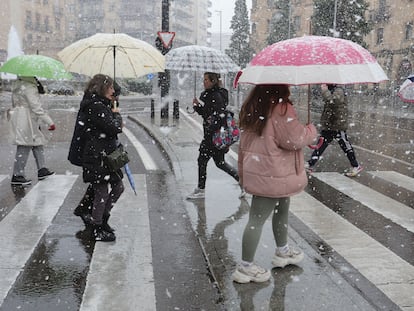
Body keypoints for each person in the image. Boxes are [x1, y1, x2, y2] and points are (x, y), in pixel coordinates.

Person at [232, 84, 317, 284]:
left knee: (282, 208)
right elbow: (294, 139)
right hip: (272, 171)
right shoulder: (281, 108)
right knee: (257, 219)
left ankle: (283, 250)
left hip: (261, 168)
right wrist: (310, 130)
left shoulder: (254, 105)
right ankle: (245, 267)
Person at [73, 74, 124, 242]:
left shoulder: (101, 104)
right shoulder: (96, 107)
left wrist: (112, 106)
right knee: (101, 192)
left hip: (105, 155)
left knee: (117, 188)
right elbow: (113, 128)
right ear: (101, 88)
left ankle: (102, 219)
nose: (112, 91)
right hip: (98, 156)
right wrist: (116, 114)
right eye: (110, 87)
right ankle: (96, 227)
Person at [186, 72, 240, 200]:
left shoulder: (216, 95)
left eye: (206, 80)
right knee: (220, 163)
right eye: (203, 79)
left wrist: (211, 127)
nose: (204, 82)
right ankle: (242, 181)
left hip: (213, 137)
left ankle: (201, 189)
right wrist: (198, 106)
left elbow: (218, 115)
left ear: (213, 81)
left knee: (202, 161)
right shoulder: (213, 94)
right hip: (215, 136)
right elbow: (208, 114)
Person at [305, 84, 363, 177]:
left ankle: (356, 165)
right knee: (321, 145)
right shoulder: (332, 90)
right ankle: (310, 164)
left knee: (345, 145)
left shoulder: (339, 90)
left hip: (337, 125)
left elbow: (332, 101)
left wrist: (324, 90)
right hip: (330, 125)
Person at [9, 76, 56, 185]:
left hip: (21, 116)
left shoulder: (18, 84)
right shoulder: (29, 86)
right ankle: (17, 175)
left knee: (37, 142)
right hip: (27, 118)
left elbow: (14, 102)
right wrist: (49, 122)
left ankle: (42, 169)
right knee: (24, 145)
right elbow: (36, 107)